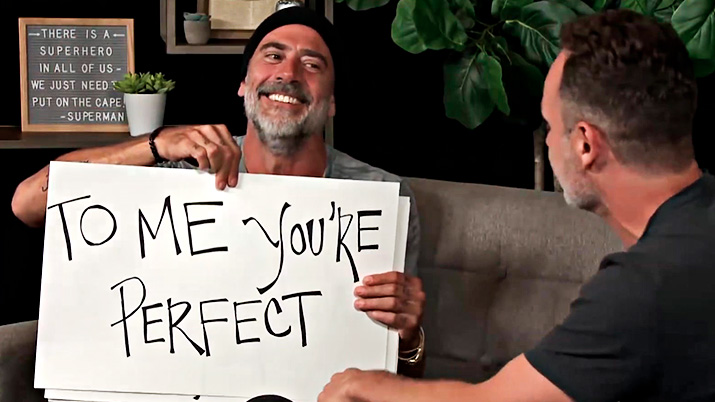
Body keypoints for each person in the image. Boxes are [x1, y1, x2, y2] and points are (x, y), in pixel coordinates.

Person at [319, 9, 715, 402]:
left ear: (585, 145)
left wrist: (362, 386)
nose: (548, 142)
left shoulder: (644, 289)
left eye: (550, 127)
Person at [11, 7, 426, 376]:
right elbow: (28, 203)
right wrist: (155, 144)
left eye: (312, 64)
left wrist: (408, 338)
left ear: (331, 102)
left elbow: (403, 375)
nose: (289, 74)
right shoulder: (180, 170)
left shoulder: (383, 198)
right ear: (244, 84)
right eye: (273, 56)